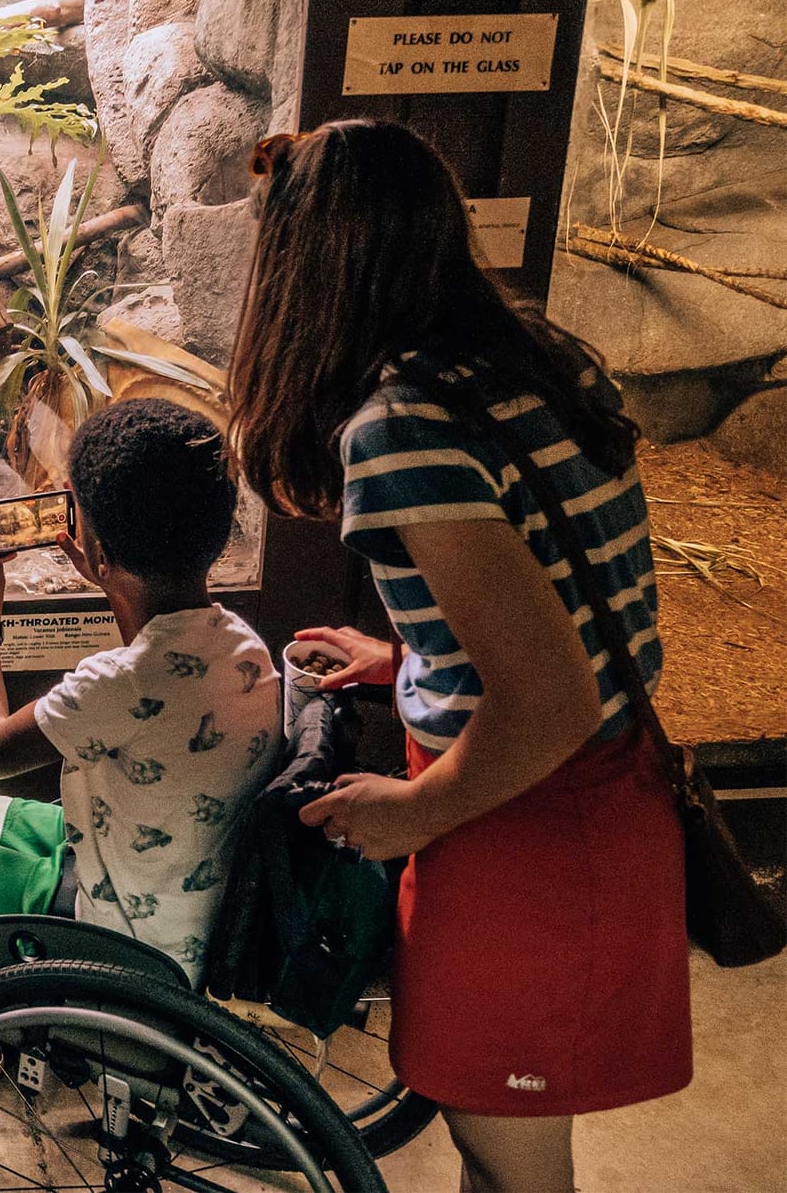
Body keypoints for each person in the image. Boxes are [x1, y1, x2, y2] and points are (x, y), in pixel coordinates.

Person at [224, 120, 688, 1193]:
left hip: (526, 830)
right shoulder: (533, 356)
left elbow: (549, 698)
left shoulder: (399, 425)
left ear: (304, 264)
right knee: (495, 1148)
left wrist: (407, 811)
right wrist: (406, 657)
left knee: (518, 1167)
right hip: (587, 804)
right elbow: (566, 606)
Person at [0, 399, 280, 989]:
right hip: (154, 878)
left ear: (101, 552)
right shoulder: (245, 647)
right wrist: (108, 578)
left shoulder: (112, 684)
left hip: (110, 928)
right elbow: (156, 657)